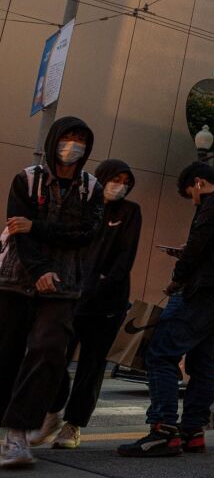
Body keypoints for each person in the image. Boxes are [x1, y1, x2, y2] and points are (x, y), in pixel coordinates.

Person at [117, 161, 214, 458]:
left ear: (198, 183)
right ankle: (193, 432)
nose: (194, 201)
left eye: (192, 194)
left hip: (199, 292)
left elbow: (199, 245)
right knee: (202, 364)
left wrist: (177, 277)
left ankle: (162, 429)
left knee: (160, 354)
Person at [0, 118, 103, 468]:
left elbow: (86, 233)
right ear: (54, 140)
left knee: (48, 350)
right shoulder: (27, 179)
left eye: (80, 140)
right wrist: (38, 268)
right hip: (16, 281)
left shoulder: (91, 188)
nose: (73, 145)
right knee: (7, 354)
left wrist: (39, 227)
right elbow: (18, 230)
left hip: (63, 286)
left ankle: (18, 434)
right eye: (68, 138)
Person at [37, 159, 142, 450]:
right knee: (54, 355)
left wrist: (103, 282)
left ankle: (73, 425)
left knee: (92, 366)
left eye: (125, 181)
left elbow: (125, 256)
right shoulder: (84, 207)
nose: (120, 185)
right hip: (72, 295)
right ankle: (52, 411)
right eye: (115, 179)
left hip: (107, 302)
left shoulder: (130, 212)